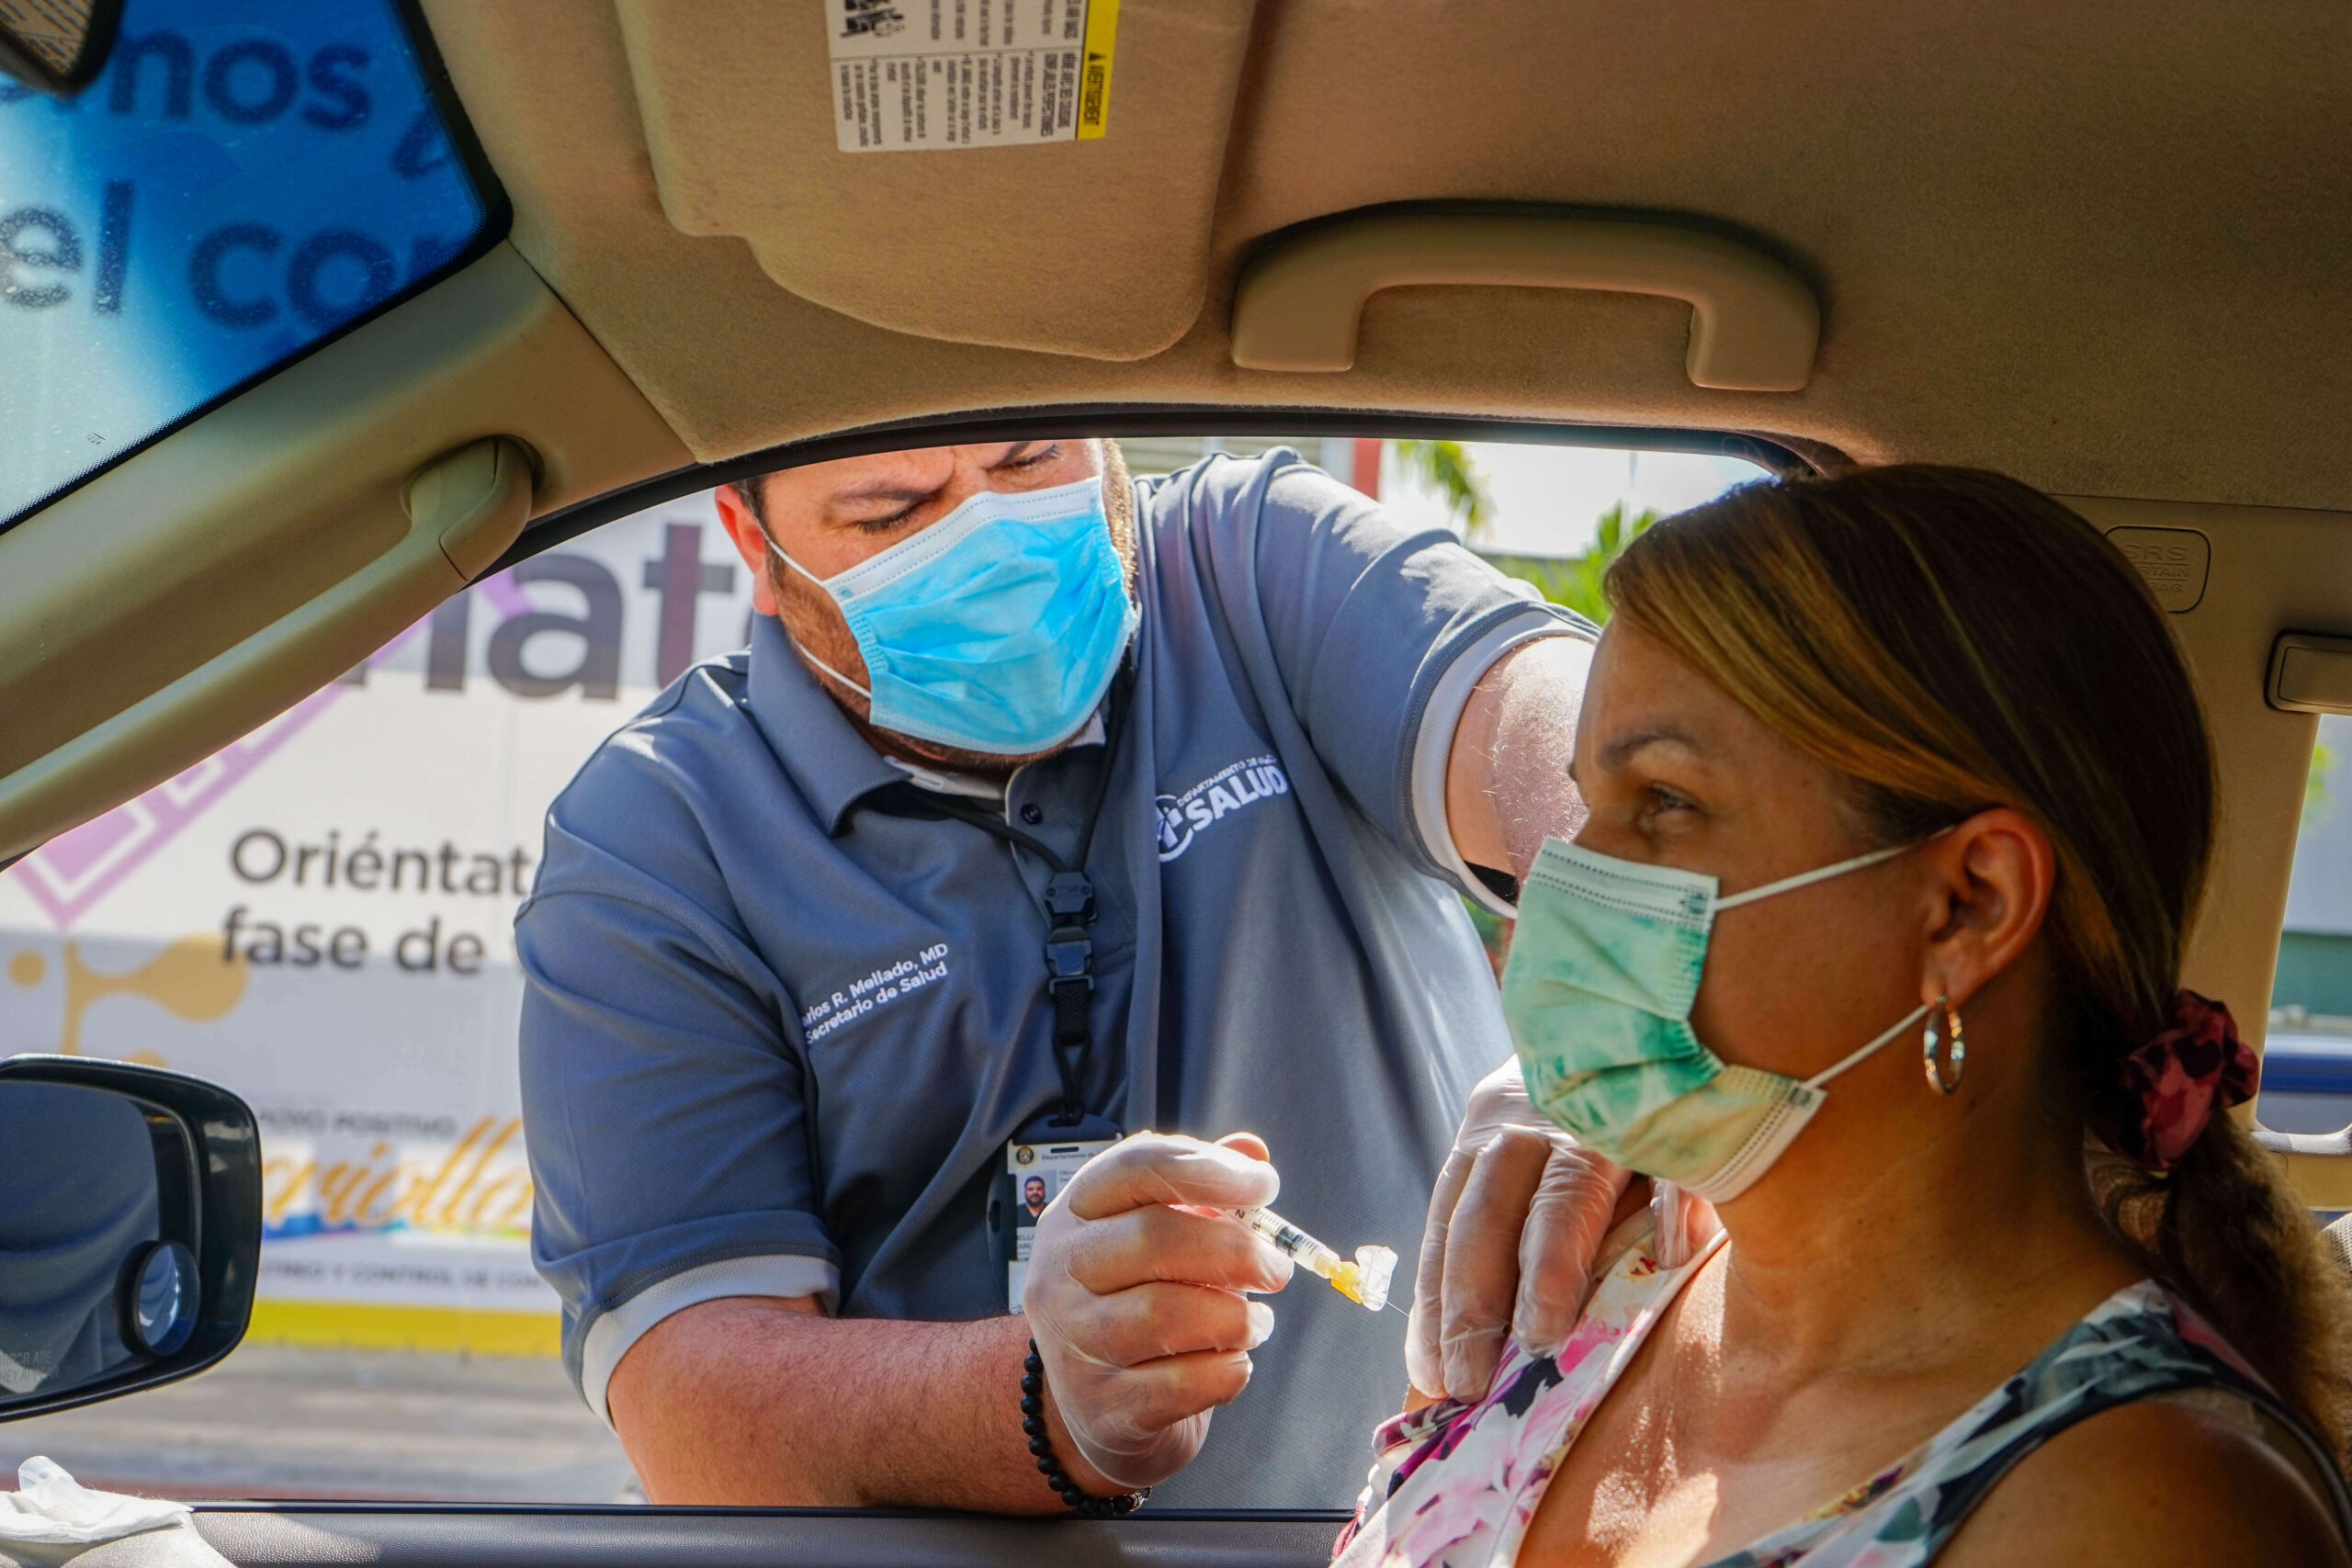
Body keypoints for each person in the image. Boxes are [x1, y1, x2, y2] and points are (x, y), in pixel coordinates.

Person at [514, 438, 1632, 1510]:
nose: (987, 542)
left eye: (1028, 464)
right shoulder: (659, 836)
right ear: (754, 548)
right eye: (891, 513)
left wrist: (1610, 982)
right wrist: (1052, 1405)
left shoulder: (1247, 562)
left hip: (1437, 1536)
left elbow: (1566, 726)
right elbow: (690, 1407)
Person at [1333, 466, 2352, 1567]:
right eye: (1589, 801)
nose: (1566, 877)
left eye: (1665, 803)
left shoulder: (2139, 1514)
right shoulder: (1591, 1273)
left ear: (1968, 908)